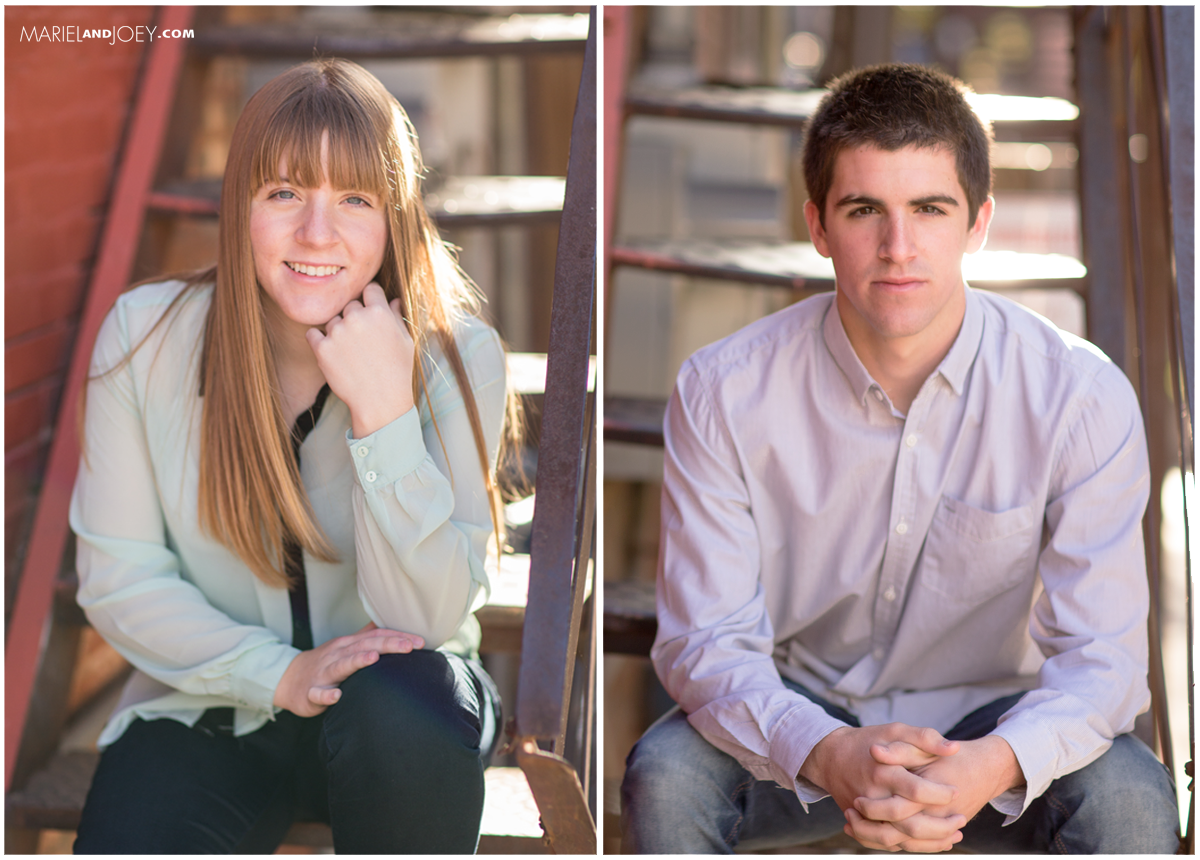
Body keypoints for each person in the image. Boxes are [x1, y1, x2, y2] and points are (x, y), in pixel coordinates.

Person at [621, 64, 1179, 854]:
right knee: (667, 776)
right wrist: (826, 751)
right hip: (804, 710)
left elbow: (1106, 662)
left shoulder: (1077, 397)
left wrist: (992, 765)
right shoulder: (724, 390)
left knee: (1128, 796)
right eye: (864, 211)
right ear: (818, 225)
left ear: (978, 223)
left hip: (996, 728)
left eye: (929, 208)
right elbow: (705, 643)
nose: (898, 247)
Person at [70, 58, 515, 853]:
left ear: (396, 218)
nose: (318, 233)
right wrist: (277, 674)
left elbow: (423, 620)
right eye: (284, 193)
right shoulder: (144, 340)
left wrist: (384, 414)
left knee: (402, 709)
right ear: (240, 204)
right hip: (213, 700)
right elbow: (121, 578)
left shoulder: (455, 355)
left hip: (404, 714)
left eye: (354, 198)